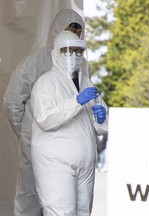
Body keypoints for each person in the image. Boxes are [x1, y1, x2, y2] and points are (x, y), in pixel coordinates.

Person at [3, 9, 86, 216]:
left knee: (67, 204)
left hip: (69, 147)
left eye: (78, 32)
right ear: (57, 31)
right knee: (30, 199)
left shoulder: (82, 64)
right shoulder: (36, 61)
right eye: (69, 30)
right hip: (37, 146)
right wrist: (27, 133)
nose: (74, 36)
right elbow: (12, 101)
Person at [30, 30, 108, 216]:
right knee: (60, 212)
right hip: (55, 163)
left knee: (83, 212)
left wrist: (102, 119)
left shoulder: (87, 83)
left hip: (86, 162)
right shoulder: (46, 83)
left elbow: (100, 125)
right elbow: (45, 118)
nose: (74, 56)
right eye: (68, 51)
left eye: (77, 51)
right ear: (57, 53)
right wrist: (76, 101)